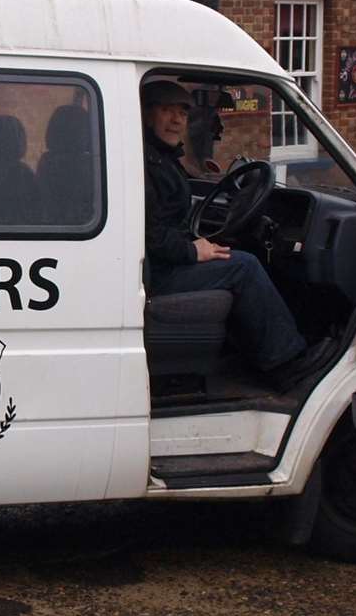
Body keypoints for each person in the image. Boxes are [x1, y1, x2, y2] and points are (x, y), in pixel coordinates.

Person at [142, 80, 331, 389]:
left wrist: (196, 245)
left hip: (161, 264)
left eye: (182, 113)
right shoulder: (148, 165)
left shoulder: (162, 160)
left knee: (234, 255)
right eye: (166, 111)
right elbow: (149, 233)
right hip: (158, 274)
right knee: (244, 267)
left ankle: (253, 354)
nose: (176, 120)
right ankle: (286, 363)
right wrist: (192, 252)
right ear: (148, 115)